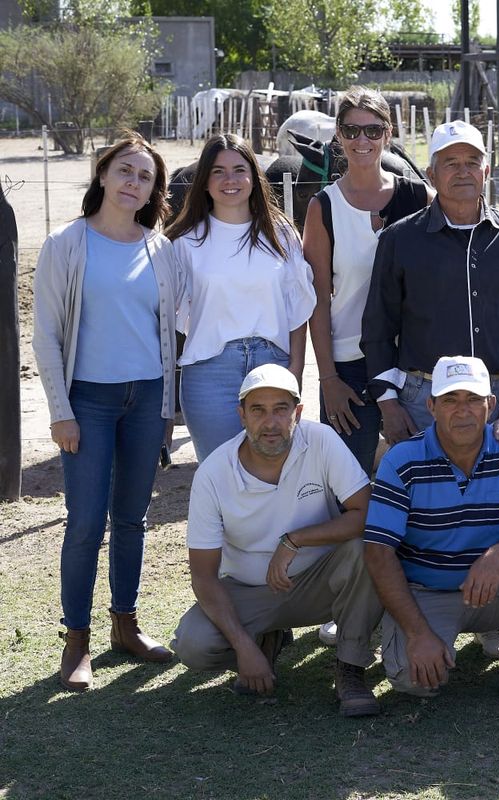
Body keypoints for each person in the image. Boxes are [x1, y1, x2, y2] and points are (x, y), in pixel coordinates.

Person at [32, 132, 184, 691]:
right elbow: (46, 335)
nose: (133, 183)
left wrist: (166, 408)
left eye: (145, 177)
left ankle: (126, 624)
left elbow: (168, 334)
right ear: (102, 175)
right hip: (88, 402)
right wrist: (60, 411)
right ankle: (77, 641)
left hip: (144, 399)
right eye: (125, 170)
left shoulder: (160, 249)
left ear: (152, 192)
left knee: (132, 519)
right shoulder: (66, 244)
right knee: (85, 521)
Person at [362, 356, 499, 718]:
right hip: (428, 593)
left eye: (474, 399)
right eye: (450, 400)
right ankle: (428, 639)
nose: (463, 411)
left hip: (497, 586)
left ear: (490, 405)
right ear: (431, 406)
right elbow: (379, 552)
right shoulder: (401, 460)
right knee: (413, 682)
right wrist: (417, 633)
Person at [171, 364, 383, 717]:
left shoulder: (322, 440)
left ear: (297, 413)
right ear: (241, 416)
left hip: (322, 581)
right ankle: (263, 639)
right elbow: (204, 576)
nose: (270, 423)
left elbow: (366, 513)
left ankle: (350, 668)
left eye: (281, 409)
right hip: (250, 590)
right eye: (258, 410)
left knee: (366, 550)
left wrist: (295, 540)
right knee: (194, 645)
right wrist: (242, 646)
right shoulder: (213, 473)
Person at [361, 120, 499, 442]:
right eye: (451, 163)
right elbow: (378, 327)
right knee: (430, 491)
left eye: (472, 163)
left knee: (496, 491)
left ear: (486, 172)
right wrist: (388, 404)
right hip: (424, 399)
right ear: (431, 175)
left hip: (498, 398)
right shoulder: (400, 240)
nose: (463, 171)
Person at [303, 86, 432, 475]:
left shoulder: (420, 198)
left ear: (388, 135)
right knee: (350, 487)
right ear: (338, 136)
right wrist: (328, 379)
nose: (363, 140)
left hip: (411, 363)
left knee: (418, 484)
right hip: (349, 366)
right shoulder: (322, 207)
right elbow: (319, 301)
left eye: (373, 130)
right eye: (352, 130)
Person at [166, 133, 316, 462]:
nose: (230, 180)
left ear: (253, 176)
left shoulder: (281, 233)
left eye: (238, 169)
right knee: (221, 473)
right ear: (203, 180)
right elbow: (165, 316)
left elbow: (299, 306)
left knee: (274, 470)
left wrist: (295, 368)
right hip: (209, 372)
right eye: (218, 171)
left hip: (272, 365)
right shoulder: (184, 241)